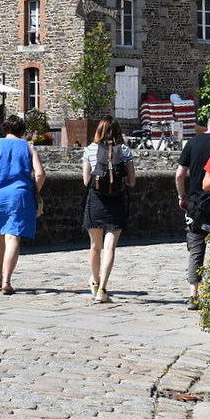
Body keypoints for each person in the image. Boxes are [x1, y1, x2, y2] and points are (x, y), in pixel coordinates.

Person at [0, 113, 46, 295]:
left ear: (4, 129)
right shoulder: (28, 147)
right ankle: (7, 280)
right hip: (19, 196)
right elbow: (40, 174)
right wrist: (34, 191)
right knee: (13, 238)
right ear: (22, 131)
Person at [175, 111, 210, 308]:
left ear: (208, 124)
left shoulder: (193, 143)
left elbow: (180, 175)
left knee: (196, 249)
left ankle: (194, 294)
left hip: (197, 203)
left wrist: (182, 197)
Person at [81, 116, 137, 304]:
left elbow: (86, 181)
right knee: (110, 247)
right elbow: (132, 181)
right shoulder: (125, 151)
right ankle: (103, 289)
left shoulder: (89, 150)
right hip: (117, 202)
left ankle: (95, 282)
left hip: (96, 202)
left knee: (95, 246)